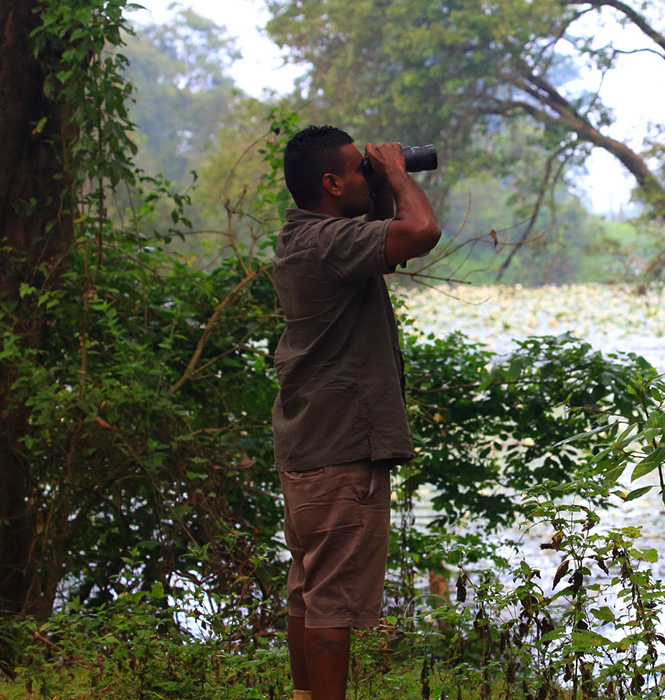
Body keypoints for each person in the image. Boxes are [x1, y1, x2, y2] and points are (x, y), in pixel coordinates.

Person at [271, 125, 440, 700]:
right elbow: (420, 232)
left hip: (309, 442)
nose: (365, 171)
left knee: (310, 588)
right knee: (333, 601)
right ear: (330, 183)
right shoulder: (328, 245)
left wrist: (376, 185)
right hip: (342, 447)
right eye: (354, 167)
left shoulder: (309, 238)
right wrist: (394, 169)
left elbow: (380, 237)